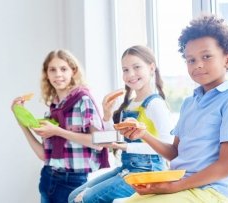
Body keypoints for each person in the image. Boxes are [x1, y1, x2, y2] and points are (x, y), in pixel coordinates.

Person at [120, 15, 228, 203]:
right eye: (190, 60)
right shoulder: (189, 103)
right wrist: (144, 134)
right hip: (179, 184)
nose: (198, 64)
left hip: (209, 192)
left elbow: (226, 167)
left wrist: (174, 186)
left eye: (206, 56)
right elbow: (175, 152)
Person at [68, 45, 173, 203]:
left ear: (151, 68)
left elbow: (168, 146)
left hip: (148, 172)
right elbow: (112, 139)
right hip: (128, 168)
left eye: (136, 67)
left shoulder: (155, 104)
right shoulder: (129, 104)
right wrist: (107, 115)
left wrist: (126, 147)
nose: (130, 74)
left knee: (85, 199)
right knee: (73, 197)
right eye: (125, 70)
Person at [11, 49, 109, 203]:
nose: (58, 74)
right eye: (52, 70)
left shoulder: (83, 100)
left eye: (63, 69)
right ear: (46, 74)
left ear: (73, 71)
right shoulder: (55, 107)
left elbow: (100, 143)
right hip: (48, 178)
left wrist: (58, 131)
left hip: (75, 182)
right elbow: (44, 156)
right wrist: (21, 121)